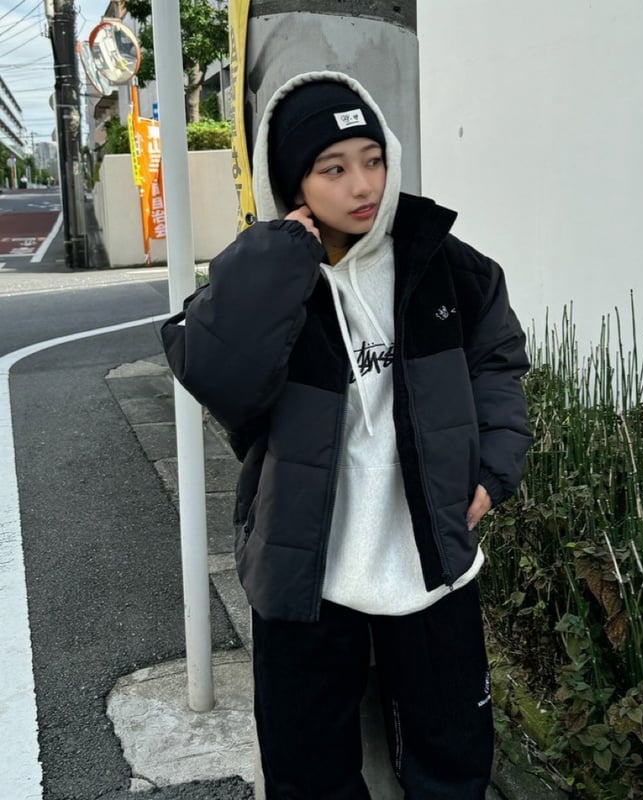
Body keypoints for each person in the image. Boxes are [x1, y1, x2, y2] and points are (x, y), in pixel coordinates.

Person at [162, 71, 532, 800]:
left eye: (373, 159)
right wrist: (279, 257)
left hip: (431, 555)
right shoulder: (273, 277)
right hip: (307, 565)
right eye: (333, 169)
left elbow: (497, 363)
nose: (362, 185)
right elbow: (217, 374)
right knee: (308, 772)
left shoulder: (442, 263)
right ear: (293, 183)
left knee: (454, 760)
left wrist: (493, 469)